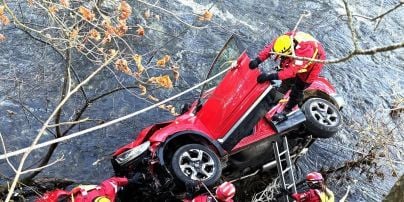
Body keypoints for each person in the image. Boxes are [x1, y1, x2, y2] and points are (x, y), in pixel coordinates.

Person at [249, 31, 326, 122]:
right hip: (299, 55)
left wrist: (269, 76)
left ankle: (287, 110)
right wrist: (258, 60)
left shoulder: (304, 53)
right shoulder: (285, 39)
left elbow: (291, 71)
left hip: (312, 66)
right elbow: (271, 48)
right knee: (286, 79)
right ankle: (279, 94)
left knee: (298, 88)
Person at [36, 175, 142, 202]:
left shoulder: (106, 191)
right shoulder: (106, 191)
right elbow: (113, 181)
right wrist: (130, 181)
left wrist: (130, 181)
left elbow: (113, 181)